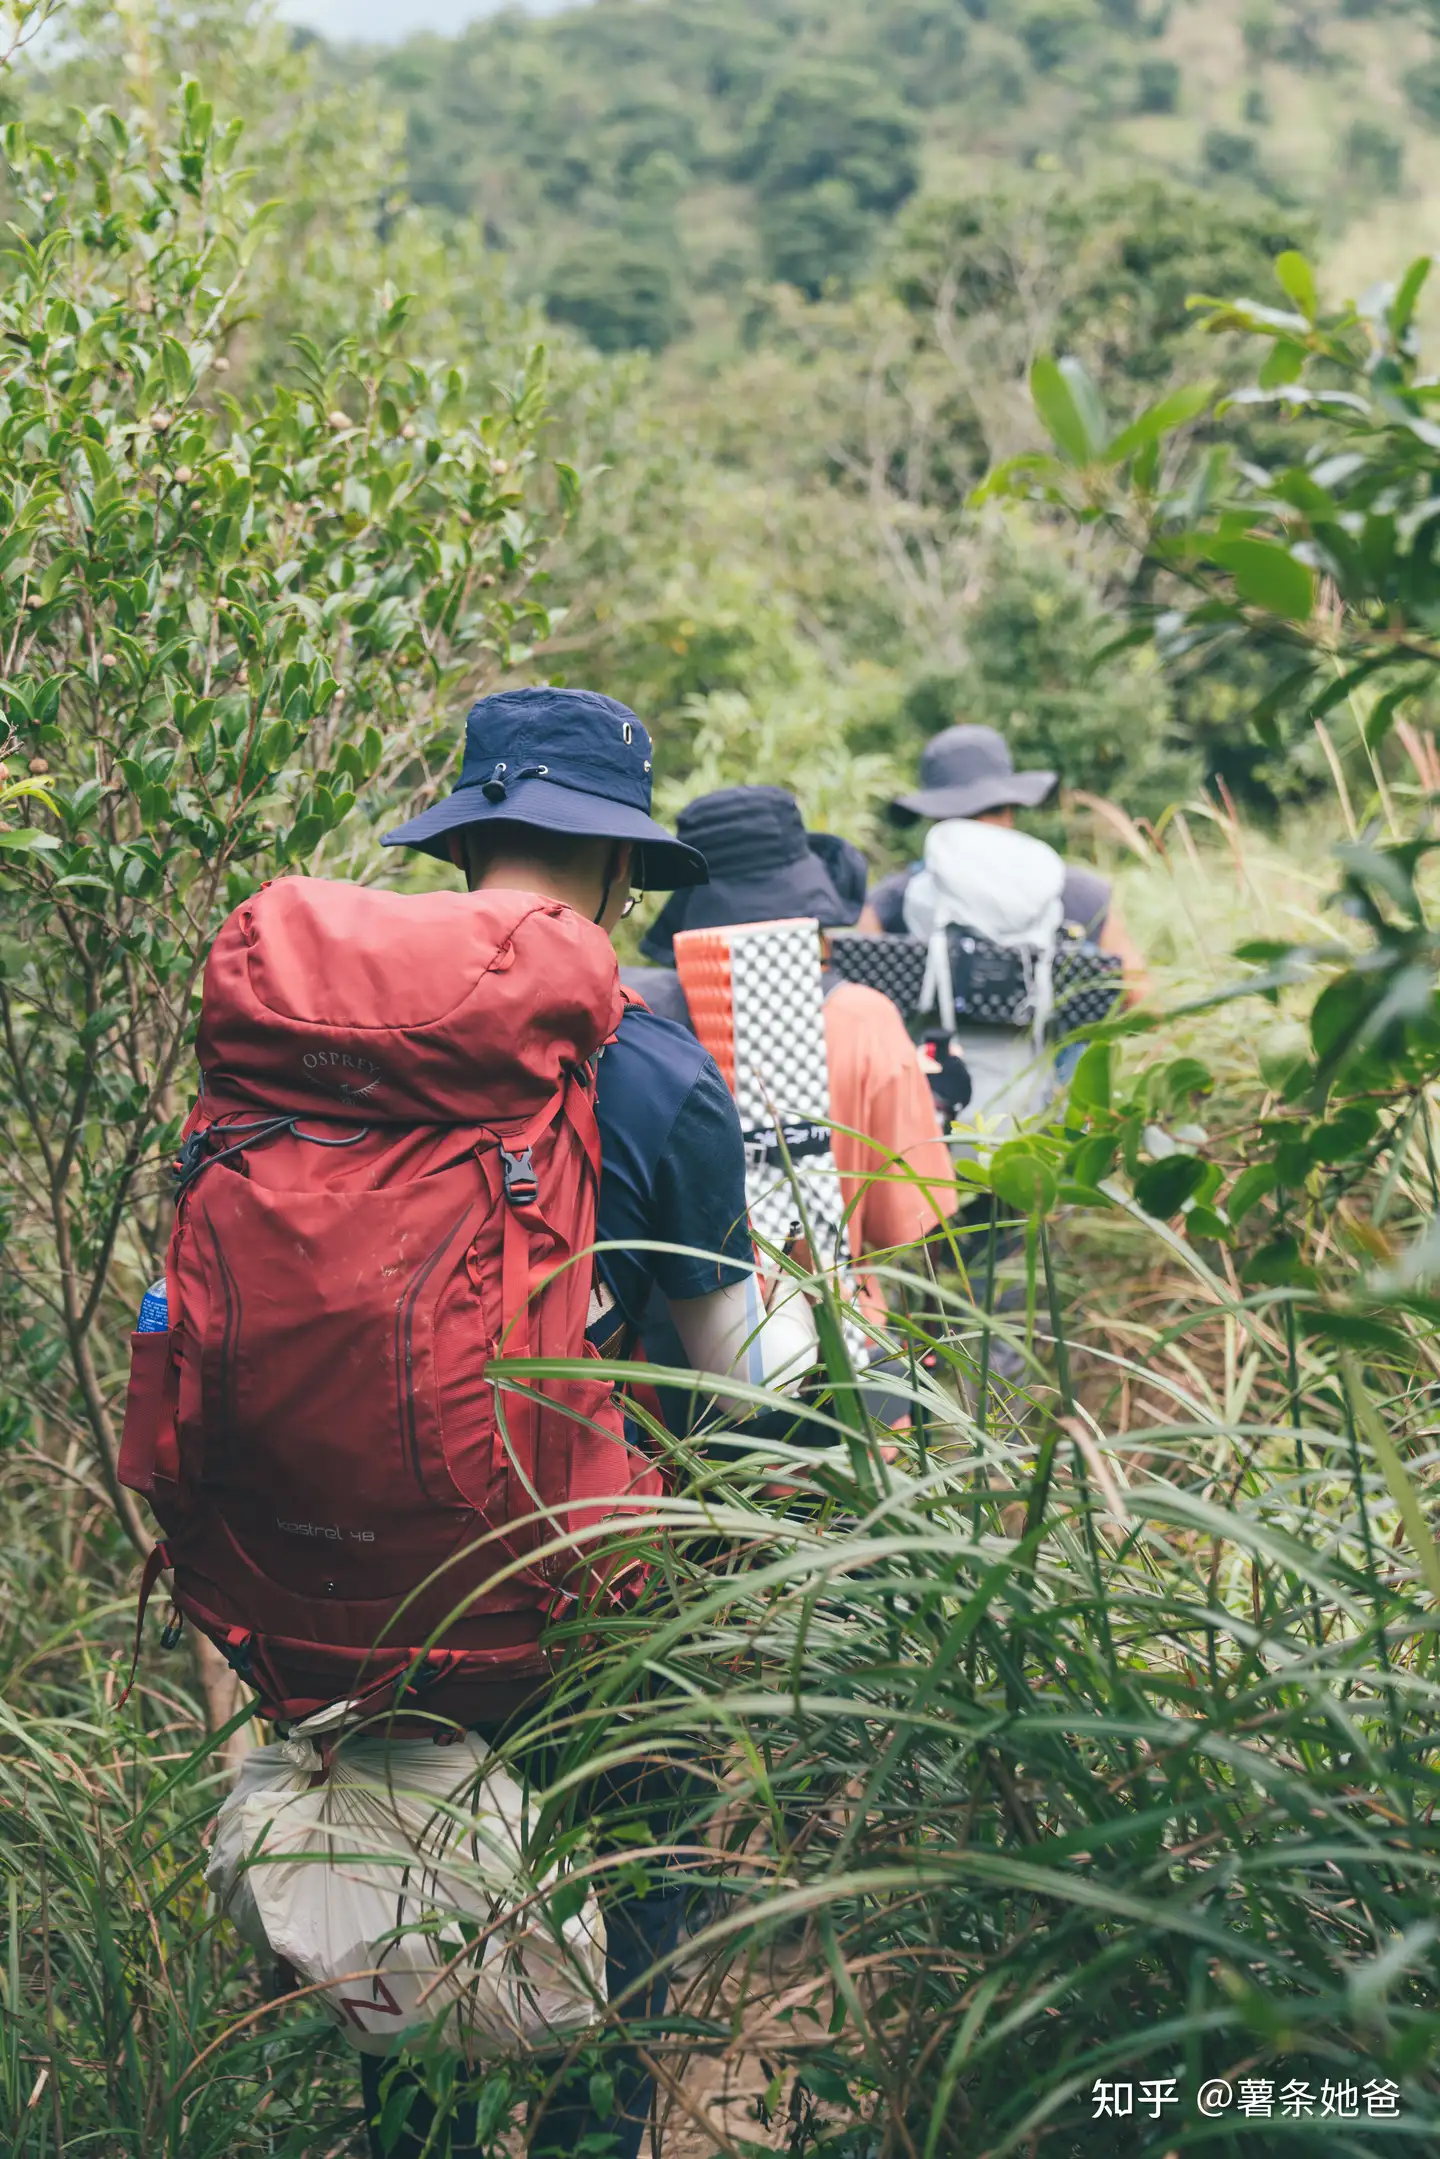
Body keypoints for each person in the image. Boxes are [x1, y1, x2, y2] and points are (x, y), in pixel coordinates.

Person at [373, 693, 821, 2158]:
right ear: (620, 872)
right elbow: (738, 1389)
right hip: (585, 1610)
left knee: (402, 1986)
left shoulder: (313, 1037)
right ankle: (591, 2122)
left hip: (346, 1589)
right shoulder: (652, 1065)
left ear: (463, 844)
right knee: (623, 1942)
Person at [625, 784, 955, 1322]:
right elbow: (908, 1228)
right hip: (839, 1353)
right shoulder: (864, 1019)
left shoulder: (642, 1020)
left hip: (673, 1363)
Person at [858, 724, 1150, 1003]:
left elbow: (859, 1003)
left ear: (935, 818)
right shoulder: (1083, 896)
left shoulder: (893, 900)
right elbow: (1145, 1004)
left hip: (930, 1055)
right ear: (1009, 810)